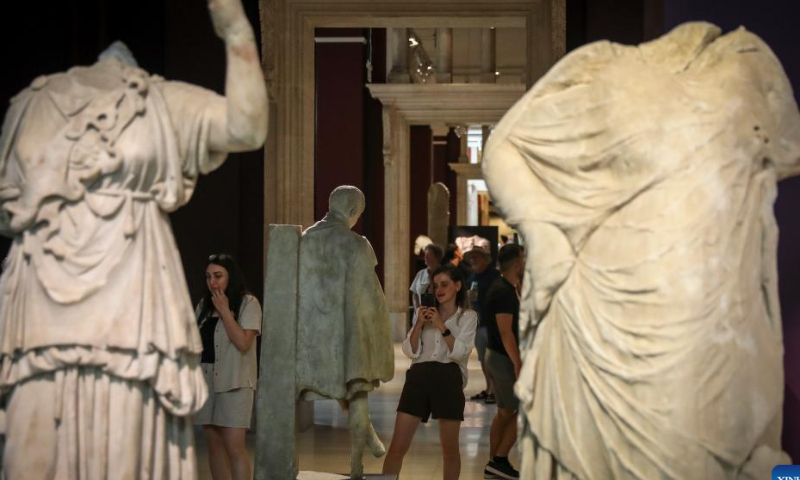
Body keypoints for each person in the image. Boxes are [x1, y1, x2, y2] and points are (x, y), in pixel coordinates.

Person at [0, 0, 267, 477]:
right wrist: (236, 32)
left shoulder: (36, 102)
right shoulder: (157, 101)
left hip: (102, 299)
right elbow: (246, 127)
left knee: (61, 445)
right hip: (87, 299)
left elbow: (7, 208)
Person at [297, 185, 394, 478]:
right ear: (353, 212)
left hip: (311, 335)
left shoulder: (302, 242)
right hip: (347, 331)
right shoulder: (357, 244)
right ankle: (356, 466)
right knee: (356, 390)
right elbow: (371, 297)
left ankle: (370, 438)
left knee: (348, 386)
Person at [383, 264, 478, 480]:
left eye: (444, 284)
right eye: (435, 286)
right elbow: (410, 350)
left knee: (450, 451)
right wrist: (418, 325)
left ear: (457, 286)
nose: (439, 290)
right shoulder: (421, 312)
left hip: (449, 379)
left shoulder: (468, 317)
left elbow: (461, 353)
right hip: (419, 377)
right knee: (397, 446)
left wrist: (441, 325)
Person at [194, 253, 261, 480]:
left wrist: (224, 311)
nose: (212, 282)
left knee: (234, 448)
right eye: (208, 276)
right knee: (214, 447)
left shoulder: (248, 303)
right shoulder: (204, 305)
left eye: (218, 276)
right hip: (207, 382)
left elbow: (243, 343)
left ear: (230, 277)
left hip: (235, 383)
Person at [483, 244, 525, 480]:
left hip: (499, 357)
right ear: (517, 265)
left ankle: (494, 463)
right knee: (524, 409)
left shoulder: (507, 287)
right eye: (524, 259)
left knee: (504, 412)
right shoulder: (503, 292)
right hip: (503, 360)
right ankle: (499, 460)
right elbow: (505, 332)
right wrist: (518, 363)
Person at [464, 246, 500, 404]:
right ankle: (488, 388)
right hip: (478, 324)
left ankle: (495, 390)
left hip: (491, 323)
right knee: (482, 359)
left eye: (476, 257)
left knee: (491, 358)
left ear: (485, 259)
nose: (473, 260)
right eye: (471, 258)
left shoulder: (494, 276)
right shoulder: (472, 277)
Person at [410, 243, 444, 309]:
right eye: (425, 254)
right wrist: (417, 308)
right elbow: (415, 293)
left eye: (429, 254)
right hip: (421, 313)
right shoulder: (421, 273)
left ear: (436, 257)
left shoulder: (444, 273)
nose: (425, 257)